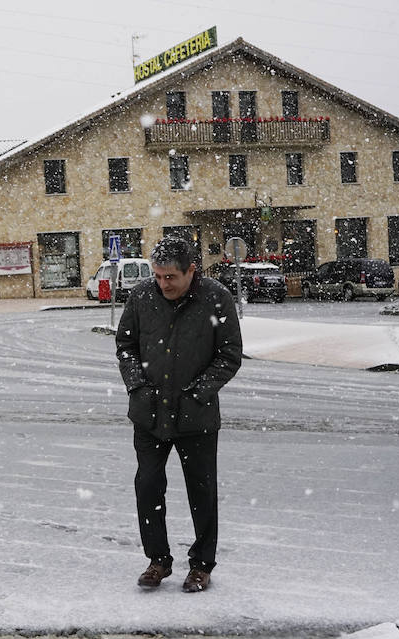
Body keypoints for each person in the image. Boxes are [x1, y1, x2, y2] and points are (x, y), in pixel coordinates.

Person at [115, 235, 242, 592]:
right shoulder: (141, 297)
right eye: (157, 276)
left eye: (170, 277)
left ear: (191, 271)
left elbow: (230, 355)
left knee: (202, 492)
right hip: (149, 414)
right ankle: (158, 560)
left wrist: (199, 392)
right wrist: (138, 387)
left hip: (196, 415)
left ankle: (202, 564)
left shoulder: (216, 297)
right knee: (148, 487)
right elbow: (125, 345)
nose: (163, 284)